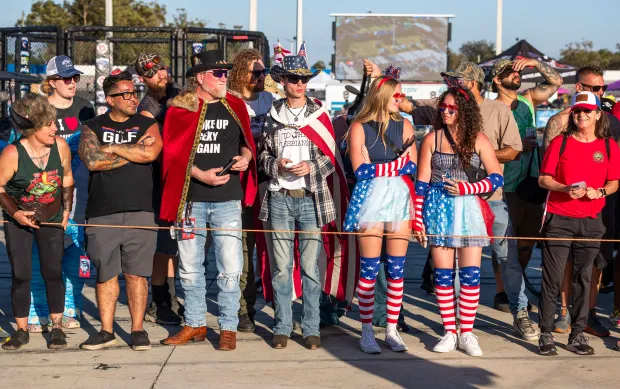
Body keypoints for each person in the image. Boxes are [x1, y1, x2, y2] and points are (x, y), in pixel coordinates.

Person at [396, 61, 536, 341]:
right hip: (444, 204)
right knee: (446, 269)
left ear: (471, 83)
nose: (450, 88)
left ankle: (520, 313)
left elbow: (515, 150)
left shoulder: (498, 109)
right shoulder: (443, 110)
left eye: (456, 81)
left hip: (490, 200)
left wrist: (478, 152)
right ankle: (454, 328)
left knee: (505, 256)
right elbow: (409, 107)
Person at [159, 49, 257, 351]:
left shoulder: (236, 105)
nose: (224, 77)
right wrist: (200, 174)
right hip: (191, 199)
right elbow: (171, 156)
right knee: (189, 266)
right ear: (200, 77)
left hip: (228, 199)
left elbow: (247, 145)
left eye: (225, 73)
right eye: (218, 73)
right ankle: (194, 323)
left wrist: (245, 157)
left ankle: (228, 327)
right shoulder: (179, 109)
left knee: (230, 266)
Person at [258, 54, 355, 350]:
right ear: (283, 81)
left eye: (304, 79)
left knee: (313, 267)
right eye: (294, 79)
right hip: (279, 197)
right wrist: (278, 164)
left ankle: (311, 327)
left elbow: (331, 158)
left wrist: (312, 167)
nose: (300, 84)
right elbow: (263, 156)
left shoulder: (320, 114)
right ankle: (283, 326)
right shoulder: (272, 115)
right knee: (281, 267)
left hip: (312, 199)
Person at [415, 87, 504, 357]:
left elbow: (497, 177)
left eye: (452, 108)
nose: (446, 112)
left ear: (464, 111)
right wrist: (418, 219)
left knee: (470, 274)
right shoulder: (432, 139)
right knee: (442, 275)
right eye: (443, 107)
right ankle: (449, 332)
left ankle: (467, 331)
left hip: (469, 209)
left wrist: (468, 188)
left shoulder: (479, 139)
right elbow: (421, 184)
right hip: (438, 208)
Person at [78, 71, 162, 351]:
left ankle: (137, 330)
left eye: (134, 92)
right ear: (109, 99)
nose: (133, 98)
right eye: (125, 94)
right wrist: (133, 150)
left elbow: (150, 154)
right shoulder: (93, 125)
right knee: (106, 274)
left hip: (141, 210)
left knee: (137, 274)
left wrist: (113, 147)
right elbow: (92, 160)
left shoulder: (145, 122)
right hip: (103, 211)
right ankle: (106, 330)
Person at [537, 91, 620, 356]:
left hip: (591, 221)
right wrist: (564, 187)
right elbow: (544, 179)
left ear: (598, 114)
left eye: (587, 110)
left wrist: (601, 192)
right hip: (560, 218)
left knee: (584, 278)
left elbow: (614, 182)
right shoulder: (561, 143)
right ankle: (546, 333)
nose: (581, 115)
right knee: (552, 277)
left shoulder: (608, 146)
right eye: (577, 111)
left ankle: (577, 335)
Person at [18, 56, 94, 332]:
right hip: (43, 193)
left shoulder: (86, 109)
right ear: (51, 82)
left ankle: (69, 307)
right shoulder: (38, 109)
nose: (73, 82)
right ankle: (38, 308)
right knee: (41, 253)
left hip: (77, 194)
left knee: (73, 252)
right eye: (66, 78)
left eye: (75, 77)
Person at [343, 69, 417, 354]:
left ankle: (391, 329)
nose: (402, 99)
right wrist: (394, 165)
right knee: (370, 269)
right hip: (370, 198)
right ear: (384, 96)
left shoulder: (406, 125)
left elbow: (411, 165)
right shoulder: (360, 126)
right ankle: (365, 331)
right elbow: (360, 170)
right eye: (398, 95)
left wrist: (384, 167)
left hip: (399, 197)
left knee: (397, 270)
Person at [0, 95, 75, 350]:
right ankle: (21, 331)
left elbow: (66, 178)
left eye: (55, 123)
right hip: (18, 219)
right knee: (21, 275)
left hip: (51, 217)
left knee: (52, 272)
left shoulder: (61, 147)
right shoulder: (12, 153)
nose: (55, 128)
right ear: (33, 127)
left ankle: (56, 328)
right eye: (49, 124)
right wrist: (16, 213)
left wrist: (66, 211)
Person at [491, 57, 563, 278]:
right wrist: (517, 148)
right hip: (505, 186)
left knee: (527, 243)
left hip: (532, 183)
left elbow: (556, 82)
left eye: (517, 71)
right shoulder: (490, 109)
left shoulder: (527, 100)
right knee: (504, 245)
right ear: (496, 79)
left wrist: (535, 63)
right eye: (509, 72)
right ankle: (502, 293)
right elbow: (483, 153)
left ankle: (517, 288)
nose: (516, 74)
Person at [227, 48, 275, 333]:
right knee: (243, 249)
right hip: (241, 183)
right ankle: (245, 308)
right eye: (256, 72)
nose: (261, 77)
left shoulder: (269, 99)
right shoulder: (229, 101)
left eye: (264, 72)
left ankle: (278, 304)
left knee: (273, 247)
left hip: (270, 180)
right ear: (241, 73)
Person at [134, 53, 183, 326]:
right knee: (163, 246)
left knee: (176, 246)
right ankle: (159, 300)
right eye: (153, 73)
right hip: (159, 184)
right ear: (143, 79)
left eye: (162, 69)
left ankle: (172, 298)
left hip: (182, 182)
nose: (161, 75)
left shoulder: (180, 93)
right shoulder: (148, 106)